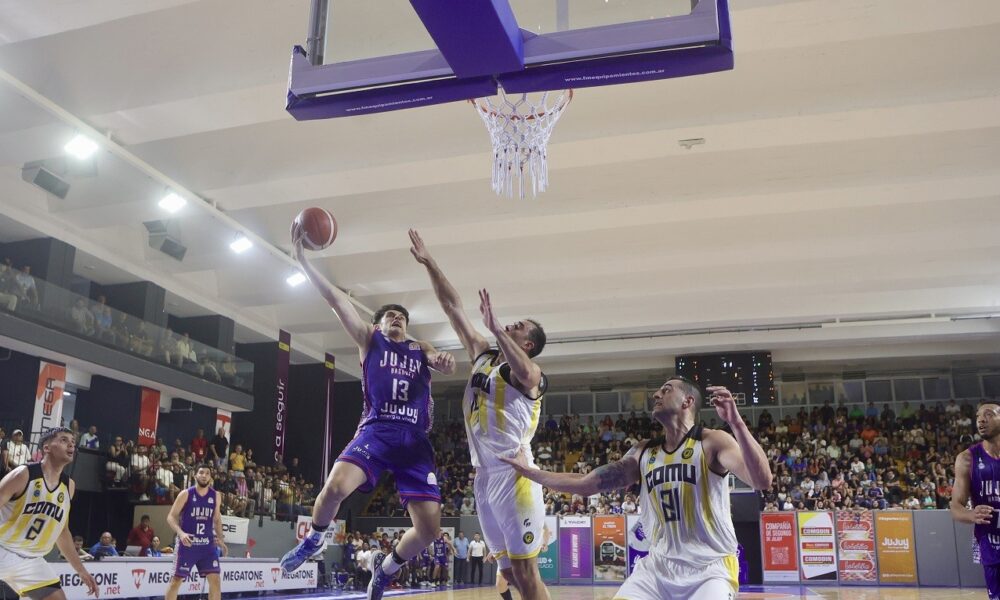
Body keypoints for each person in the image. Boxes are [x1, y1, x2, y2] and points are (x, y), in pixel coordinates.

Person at [281, 224, 457, 600]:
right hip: (377, 431)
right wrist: (302, 260)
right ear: (378, 324)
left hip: (414, 440)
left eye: (401, 316)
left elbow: (440, 360)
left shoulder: (419, 347)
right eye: (390, 315)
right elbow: (335, 300)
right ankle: (314, 539)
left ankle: (386, 567)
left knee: (429, 531)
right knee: (334, 488)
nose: (397, 318)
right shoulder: (369, 339)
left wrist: (444, 361)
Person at [502, 379, 773, 600]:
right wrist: (530, 472)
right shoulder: (643, 452)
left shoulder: (712, 441)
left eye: (666, 390)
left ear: (687, 401)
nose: (656, 394)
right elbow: (587, 484)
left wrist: (736, 423)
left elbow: (762, 480)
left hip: (710, 568)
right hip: (657, 568)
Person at [409, 229, 550, 599]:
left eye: (518, 327)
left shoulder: (529, 375)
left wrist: (496, 329)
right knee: (508, 572)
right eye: (510, 323)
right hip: (484, 478)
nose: (510, 325)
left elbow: (527, 374)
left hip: (515, 475)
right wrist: (430, 263)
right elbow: (453, 308)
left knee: (527, 573)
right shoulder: (483, 355)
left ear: (528, 344)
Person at [0, 427, 98, 599]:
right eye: (64, 440)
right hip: (3, 549)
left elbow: (62, 531)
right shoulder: (23, 475)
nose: (71, 445)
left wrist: (81, 570)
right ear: (46, 448)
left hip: (32, 560)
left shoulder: (69, 486)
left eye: (73, 442)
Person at [951, 402, 1000, 600]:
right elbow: (955, 506)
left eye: (989, 414)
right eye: (978, 416)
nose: (981, 420)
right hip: (991, 541)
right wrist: (971, 514)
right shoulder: (967, 458)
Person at [165, 464, 227, 600]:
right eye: (201, 472)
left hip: (207, 546)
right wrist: (181, 533)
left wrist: (221, 539)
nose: (204, 475)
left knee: (216, 580)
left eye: (207, 473)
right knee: (176, 581)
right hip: (188, 545)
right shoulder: (186, 494)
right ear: (195, 476)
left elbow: (217, 519)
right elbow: (170, 517)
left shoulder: (216, 495)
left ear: (210, 477)